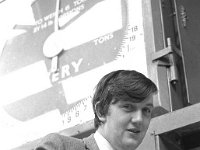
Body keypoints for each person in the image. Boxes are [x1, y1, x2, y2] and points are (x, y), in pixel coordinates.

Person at [34, 69, 157, 150]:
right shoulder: (60, 146)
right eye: (128, 107)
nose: (139, 119)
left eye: (146, 110)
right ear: (101, 111)